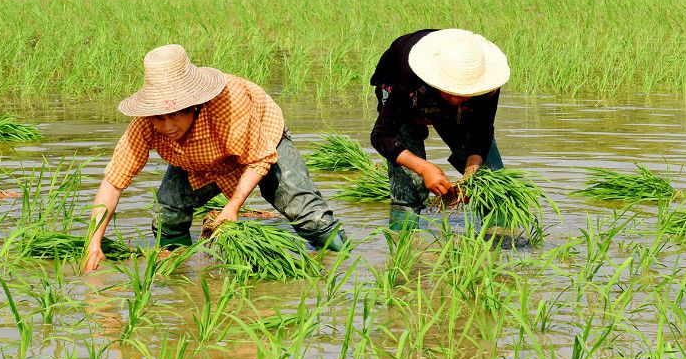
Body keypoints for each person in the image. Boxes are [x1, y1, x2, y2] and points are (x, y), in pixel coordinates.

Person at [82, 44, 346, 273]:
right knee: (168, 210)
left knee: (306, 212)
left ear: (193, 106)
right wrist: (93, 243)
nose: (167, 126)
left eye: (175, 115)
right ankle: (179, 271)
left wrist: (232, 207)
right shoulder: (146, 124)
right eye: (159, 118)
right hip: (199, 160)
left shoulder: (229, 104)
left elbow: (258, 159)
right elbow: (113, 181)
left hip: (263, 142)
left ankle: (346, 261)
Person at [370, 29, 509, 231]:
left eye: (463, 93)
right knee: (409, 187)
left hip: (456, 105)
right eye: (451, 92)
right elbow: (381, 136)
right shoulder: (409, 74)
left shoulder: (485, 84)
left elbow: (482, 131)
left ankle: (498, 248)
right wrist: (424, 168)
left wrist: (471, 174)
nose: (455, 99)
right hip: (405, 94)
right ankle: (404, 247)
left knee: (493, 182)